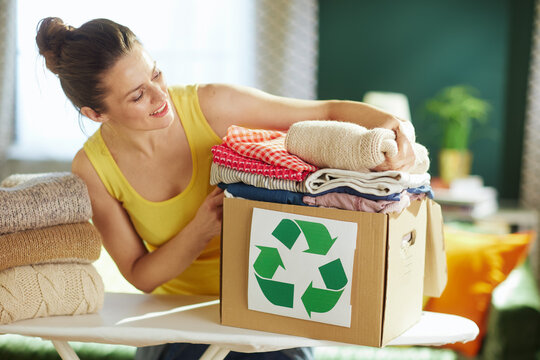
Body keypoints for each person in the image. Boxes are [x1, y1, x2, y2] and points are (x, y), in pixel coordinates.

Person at [35, 17, 415, 360]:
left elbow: (327, 112)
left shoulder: (211, 105)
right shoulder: (93, 168)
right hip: (178, 320)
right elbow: (140, 274)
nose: (159, 96)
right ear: (95, 114)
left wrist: (396, 128)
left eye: (156, 75)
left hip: (271, 303)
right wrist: (200, 229)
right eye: (137, 95)